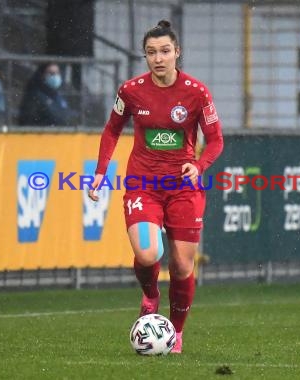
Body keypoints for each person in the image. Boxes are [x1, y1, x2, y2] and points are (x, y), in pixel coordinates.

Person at [88, 20, 223, 354]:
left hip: (183, 189)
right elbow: (111, 130)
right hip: (143, 184)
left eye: (165, 51)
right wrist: (101, 172)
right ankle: (150, 294)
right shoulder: (131, 90)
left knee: (180, 265)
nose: (158, 58)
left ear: (177, 52)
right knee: (148, 253)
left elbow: (216, 139)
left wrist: (200, 165)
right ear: (145, 56)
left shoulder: (197, 92)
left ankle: (175, 333)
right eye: (151, 52)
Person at [18, 62, 78, 126]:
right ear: (43, 75)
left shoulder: (59, 95)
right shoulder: (35, 96)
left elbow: (65, 116)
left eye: (57, 73)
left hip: (63, 134)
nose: (55, 76)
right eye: (51, 73)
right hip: (42, 134)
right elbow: (27, 121)